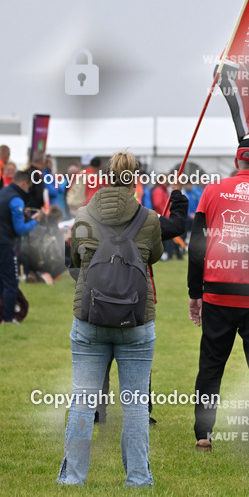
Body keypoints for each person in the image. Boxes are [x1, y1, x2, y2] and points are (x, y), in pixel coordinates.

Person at [58, 152, 163, 486]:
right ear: (135, 179)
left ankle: (73, 479)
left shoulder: (83, 214)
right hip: (136, 320)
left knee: (83, 402)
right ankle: (138, 479)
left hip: (90, 317)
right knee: (134, 406)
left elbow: (74, 260)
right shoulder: (148, 218)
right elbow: (156, 256)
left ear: (105, 178)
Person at [188, 137, 249, 452]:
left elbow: (196, 246)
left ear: (236, 162)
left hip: (218, 291)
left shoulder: (212, 190)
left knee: (210, 366)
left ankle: (204, 434)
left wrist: (195, 292)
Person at [94, 175, 188, 424]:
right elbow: (178, 226)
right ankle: (141, 408)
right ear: (133, 187)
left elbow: (73, 257)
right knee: (136, 352)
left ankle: (97, 409)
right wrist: (176, 194)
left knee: (100, 353)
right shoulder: (146, 217)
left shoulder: (90, 213)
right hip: (135, 297)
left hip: (99, 296)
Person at [0, 171, 41, 324]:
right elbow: (20, 229)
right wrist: (35, 221)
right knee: (11, 282)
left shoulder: (3, 192)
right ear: (24, 183)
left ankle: (2, 315)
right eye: (29, 186)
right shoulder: (17, 199)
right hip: (4, 244)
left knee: (1, 282)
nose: (29, 189)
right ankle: (9, 318)